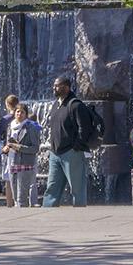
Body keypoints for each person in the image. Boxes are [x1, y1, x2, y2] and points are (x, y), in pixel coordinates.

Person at [43, 76, 103, 208]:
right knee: (52, 188)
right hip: (55, 154)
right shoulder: (55, 105)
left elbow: (84, 128)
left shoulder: (75, 105)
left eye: (57, 85)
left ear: (66, 87)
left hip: (71, 153)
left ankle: (79, 216)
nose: (54, 88)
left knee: (77, 188)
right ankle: (46, 214)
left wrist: (76, 146)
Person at [4, 103, 43, 207]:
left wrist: (19, 147)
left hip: (25, 163)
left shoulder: (31, 127)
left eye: (22, 112)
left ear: (26, 114)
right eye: (17, 111)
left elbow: (35, 148)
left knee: (21, 197)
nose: (19, 114)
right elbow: (8, 142)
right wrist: (6, 148)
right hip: (12, 161)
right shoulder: (10, 126)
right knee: (15, 195)